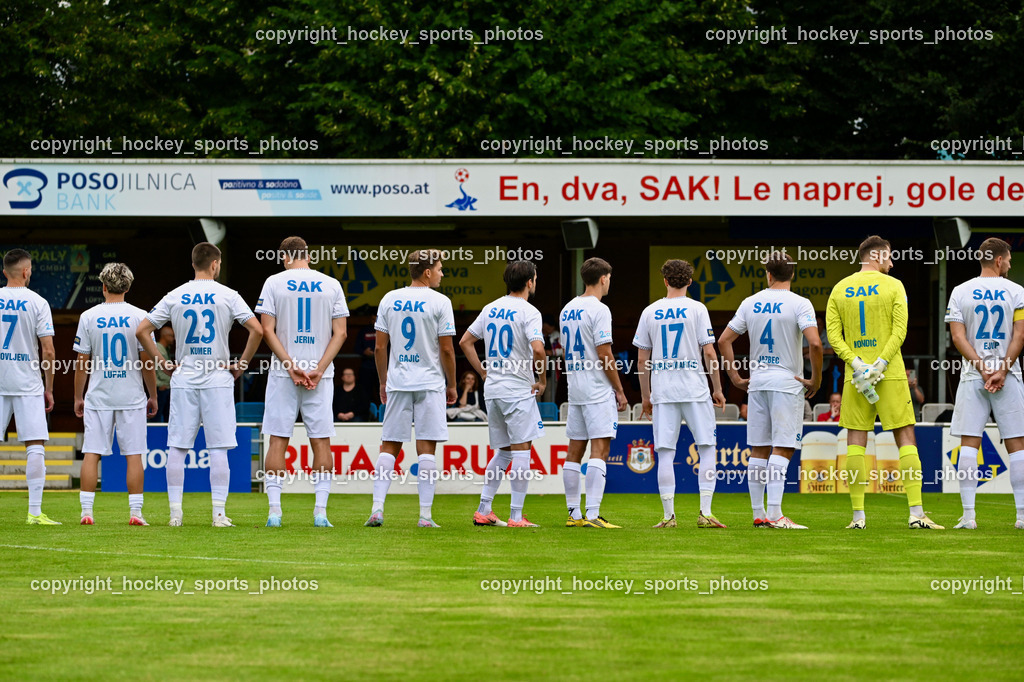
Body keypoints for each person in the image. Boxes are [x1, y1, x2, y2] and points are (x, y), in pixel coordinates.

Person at [136, 242, 263, 527]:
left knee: (178, 448)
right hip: (218, 377)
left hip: (184, 378)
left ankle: (175, 514)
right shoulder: (229, 295)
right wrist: (241, 364)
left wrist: (162, 362)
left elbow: (142, 330)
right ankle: (218, 514)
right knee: (218, 448)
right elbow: (257, 328)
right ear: (215, 264)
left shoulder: (175, 295)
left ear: (193, 264)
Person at [825, 235, 941, 529]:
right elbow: (899, 332)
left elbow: (833, 337)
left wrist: (857, 363)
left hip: (856, 377)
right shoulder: (894, 286)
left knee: (855, 442)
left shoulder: (839, 288)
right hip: (889, 373)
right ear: (876, 256)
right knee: (905, 437)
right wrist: (882, 362)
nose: (891, 263)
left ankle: (857, 517)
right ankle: (916, 514)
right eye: (888, 257)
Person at [718, 252, 822, 529]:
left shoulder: (750, 302)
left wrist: (735, 377)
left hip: (758, 383)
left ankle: (759, 513)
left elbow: (724, 340)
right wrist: (816, 379)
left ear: (768, 274)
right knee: (783, 448)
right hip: (787, 383)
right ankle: (775, 515)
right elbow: (815, 343)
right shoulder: (800, 303)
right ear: (793, 274)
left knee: (759, 450)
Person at [257, 236, 348, 528]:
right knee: (320, 440)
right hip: (320, 375)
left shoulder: (274, 282)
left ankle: (274, 513)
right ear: (307, 256)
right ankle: (320, 512)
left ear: (285, 257)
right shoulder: (331, 284)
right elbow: (341, 333)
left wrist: (290, 365)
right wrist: (319, 369)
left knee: (277, 439)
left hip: (285, 373)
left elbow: (266, 330)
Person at [366, 249, 457, 528]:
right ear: (427, 272)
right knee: (426, 448)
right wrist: (452, 384)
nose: (442, 273)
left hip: (398, 381)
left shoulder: (389, 299)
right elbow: (447, 350)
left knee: (389, 445)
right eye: (440, 269)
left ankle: (377, 509)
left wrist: (383, 380)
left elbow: (380, 347)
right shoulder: (441, 301)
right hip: (430, 384)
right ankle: (425, 516)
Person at [636, 259, 726, 529]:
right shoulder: (697, 309)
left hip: (663, 391)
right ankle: (706, 513)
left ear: (664, 280)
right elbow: (709, 352)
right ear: (689, 281)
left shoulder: (650, 311)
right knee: (707, 448)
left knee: (665, 453)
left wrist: (646, 395)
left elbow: (642, 360)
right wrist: (718, 388)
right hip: (696, 389)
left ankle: (668, 516)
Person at [460, 260, 546, 527]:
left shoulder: (490, 308)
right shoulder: (529, 311)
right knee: (522, 451)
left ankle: (484, 509)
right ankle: (516, 516)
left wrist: (483, 372)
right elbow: (539, 350)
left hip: (493, 390)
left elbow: (465, 341)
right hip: (517, 389)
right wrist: (541, 379)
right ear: (529, 281)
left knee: (505, 451)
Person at [945, 237, 1024, 529]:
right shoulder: (1017, 291)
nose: (1010, 265)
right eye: (1009, 260)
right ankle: (1022, 517)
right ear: (1000, 260)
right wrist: (1001, 370)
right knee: (1018, 445)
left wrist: (981, 367)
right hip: (1009, 375)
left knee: (969, 443)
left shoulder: (959, 291)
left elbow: (957, 338)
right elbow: (1020, 336)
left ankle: (968, 516)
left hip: (972, 375)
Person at [73, 263, 158, 525]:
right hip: (131, 396)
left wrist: (78, 396)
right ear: (128, 287)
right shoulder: (140, 316)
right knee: (133, 454)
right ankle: (135, 513)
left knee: (92, 452)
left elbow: (81, 362)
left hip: (99, 395)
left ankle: (87, 512)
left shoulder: (88, 316)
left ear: (103, 286)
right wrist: (152, 394)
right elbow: (147, 362)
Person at [561, 257, 628, 529]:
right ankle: (592, 515)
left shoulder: (567, 309)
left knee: (574, 450)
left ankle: (573, 514)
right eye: (609, 278)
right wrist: (619, 390)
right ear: (603, 279)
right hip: (597, 389)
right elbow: (604, 353)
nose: (609, 282)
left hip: (575, 388)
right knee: (600, 450)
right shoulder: (600, 309)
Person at [0, 249, 58, 524]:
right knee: (35, 445)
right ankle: (34, 512)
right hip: (27, 382)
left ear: (4, 272)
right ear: (25, 272)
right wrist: (49, 387)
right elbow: (48, 351)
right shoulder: (38, 302)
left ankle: (35, 513)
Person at [152, 325, 174, 421]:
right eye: (171, 336)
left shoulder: (166, 349)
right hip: (162, 388)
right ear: (165, 336)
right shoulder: (158, 349)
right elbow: (151, 367)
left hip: (166, 387)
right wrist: (159, 384)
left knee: (167, 415)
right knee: (157, 417)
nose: (173, 339)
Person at [355, 314, 379, 404]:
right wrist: (364, 352)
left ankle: (382, 414)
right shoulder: (364, 331)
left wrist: (380, 353)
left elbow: (391, 348)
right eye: (372, 318)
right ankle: (367, 413)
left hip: (381, 367)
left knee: (382, 391)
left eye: (376, 318)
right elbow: (356, 348)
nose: (374, 320)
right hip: (366, 367)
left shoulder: (385, 330)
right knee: (365, 392)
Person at [542, 315, 562, 403]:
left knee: (549, 396)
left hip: (552, 370)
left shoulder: (556, 336)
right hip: (536, 370)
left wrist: (552, 352)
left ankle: (548, 416)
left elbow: (564, 350)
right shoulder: (536, 333)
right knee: (535, 396)